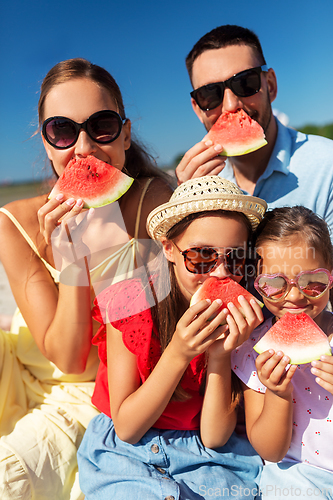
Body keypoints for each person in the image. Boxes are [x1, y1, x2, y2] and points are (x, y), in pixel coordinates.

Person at [0, 57, 173, 500]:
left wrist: (94, 252)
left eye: (101, 126)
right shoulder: (11, 223)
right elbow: (64, 353)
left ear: (125, 133)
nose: (83, 149)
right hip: (22, 370)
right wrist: (70, 261)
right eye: (62, 130)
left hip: (96, 393)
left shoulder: (156, 204)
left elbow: (80, 366)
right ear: (45, 142)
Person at [77, 176, 266, 499]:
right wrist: (178, 353)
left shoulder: (246, 313)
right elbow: (127, 427)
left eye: (235, 258)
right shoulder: (129, 301)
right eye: (202, 256)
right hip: (127, 451)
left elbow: (214, 437)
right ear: (169, 249)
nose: (220, 273)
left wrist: (220, 355)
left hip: (209, 455)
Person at [176, 24, 333, 237]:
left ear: (270, 85)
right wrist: (186, 211)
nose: (231, 105)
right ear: (197, 108)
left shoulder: (327, 168)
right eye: (210, 94)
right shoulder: (199, 185)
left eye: (245, 83)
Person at [232, 206, 333, 499]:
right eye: (275, 284)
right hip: (297, 476)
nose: (295, 296)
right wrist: (277, 393)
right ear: (256, 284)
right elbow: (271, 451)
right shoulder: (253, 351)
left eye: (312, 281)